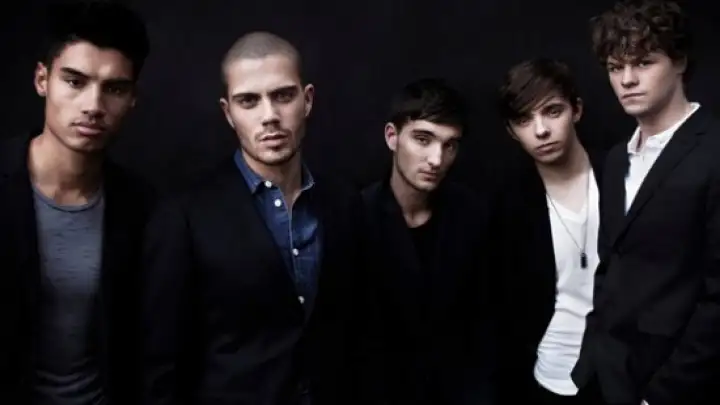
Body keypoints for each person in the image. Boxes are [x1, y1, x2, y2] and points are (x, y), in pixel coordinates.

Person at [141, 31, 366, 405]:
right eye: (248, 101)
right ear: (228, 113)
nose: (269, 116)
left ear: (307, 100)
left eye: (283, 96)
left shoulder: (344, 201)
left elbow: (358, 332)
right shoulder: (183, 215)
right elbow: (161, 364)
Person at [0, 1, 152, 404]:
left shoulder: (143, 209)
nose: (93, 106)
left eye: (114, 89)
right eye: (74, 81)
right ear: (42, 79)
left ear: (132, 99)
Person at [572, 1, 720, 404]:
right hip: (605, 374)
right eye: (615, 67)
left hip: (673, 383)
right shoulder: (616, 158)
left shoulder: (713, 151)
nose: (627, 80)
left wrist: (662, 394)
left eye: (643, 62)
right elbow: (612, 262)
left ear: (679, 61)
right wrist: (591, 356)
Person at [358, 78, 495, 405]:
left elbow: (486, 329)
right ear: (392, 137)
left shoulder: (473, 216)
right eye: (423, 139)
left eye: (450, 145)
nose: (436, 159)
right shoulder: (355, 218)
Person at [493, 58, 606, 405]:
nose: (540, 130)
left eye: (552, 111)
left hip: (626, 374)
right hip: (549, 379)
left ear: (577, 110)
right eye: (524, 120)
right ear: (512, 131)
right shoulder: (510, 205)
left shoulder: (623, 175)